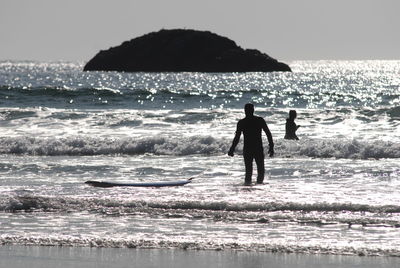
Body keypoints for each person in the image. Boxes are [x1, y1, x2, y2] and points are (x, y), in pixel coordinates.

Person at [228, 103, 274, 185]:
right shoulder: (259, 120)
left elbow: (237, 138)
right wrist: (271, 146)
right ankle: (258, 187)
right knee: (260, 170)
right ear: (253, 110)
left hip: (249, 149)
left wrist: (232, 149)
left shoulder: (242, 122)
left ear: (245, 111)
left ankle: (249, 188)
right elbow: (268, 134)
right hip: (257, 148)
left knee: (249, 171)